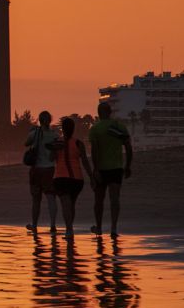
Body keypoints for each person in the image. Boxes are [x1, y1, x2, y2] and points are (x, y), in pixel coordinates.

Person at [88, 101, 134, 239]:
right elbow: (128, 148)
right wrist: (128, 166)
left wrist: (95, 169)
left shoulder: (95, 129)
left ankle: (99, 227)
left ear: (98, 113)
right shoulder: (119, 127)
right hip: (116, 168)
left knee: (98, 200)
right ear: (110, 112)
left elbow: (94, 151)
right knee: (114, 199)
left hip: (101, 169)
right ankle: (113, 228)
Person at [53, 116, 96, 242]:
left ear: (62, 129)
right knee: (70, 205)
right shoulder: (78, 143)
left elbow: (52, 158)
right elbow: (85, 162)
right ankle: (69, 229)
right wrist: (91, 177)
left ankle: (69, 229)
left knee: (66, 205)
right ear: (73, 129)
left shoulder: (59, 142)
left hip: (61, 178)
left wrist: (54, 148)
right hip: (77, 180)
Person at [25, 111, 59, 235]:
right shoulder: (54, 135)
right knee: (51, 198)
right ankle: (53, 225)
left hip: (36, 170)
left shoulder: (35, 133)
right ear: (50, 120)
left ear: (39, 120)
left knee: (36, 200)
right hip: (49, 169)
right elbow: (55, 154)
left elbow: (26, 143)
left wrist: (32, 131)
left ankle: (34, 225)